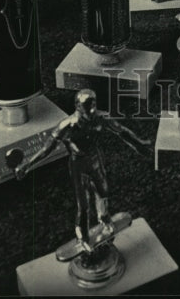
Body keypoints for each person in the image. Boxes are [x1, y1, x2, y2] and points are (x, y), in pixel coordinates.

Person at [11, 88, 150, 259]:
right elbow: (47, 148)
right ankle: (82, 237)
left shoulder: (100, 118)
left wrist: (140, 144)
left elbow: (122, 131)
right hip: (79, 165)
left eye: (94, 104)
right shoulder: (68, 125)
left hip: (96, 160)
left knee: (103, 192)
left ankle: (104, 218)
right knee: (83, 204)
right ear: (77, 106)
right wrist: (27, 165)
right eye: (87, 106)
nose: (92, 109)